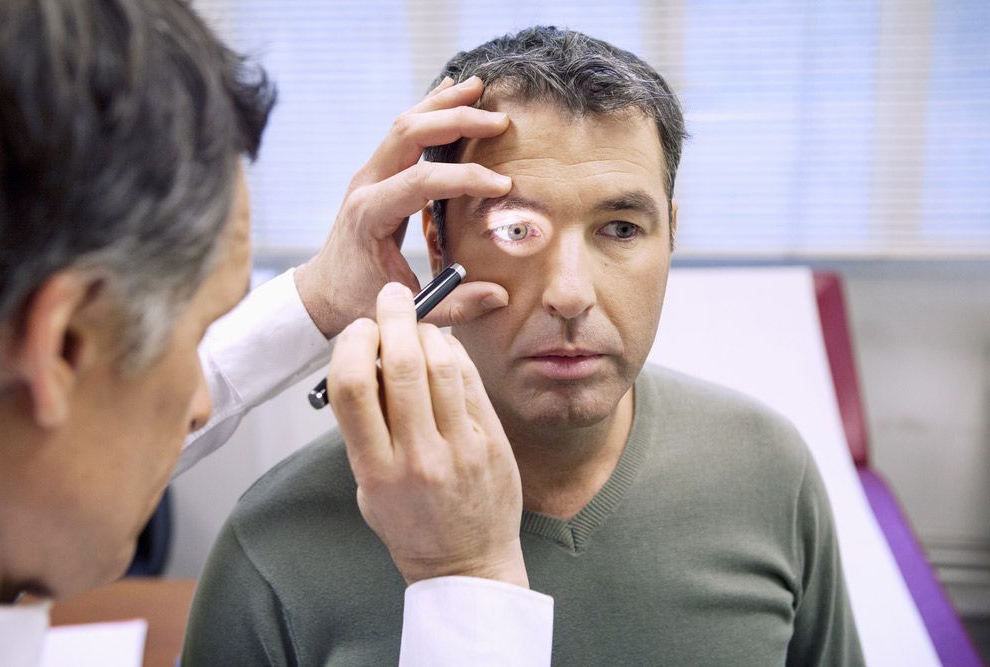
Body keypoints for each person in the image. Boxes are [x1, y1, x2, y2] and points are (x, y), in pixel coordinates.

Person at [183, 26, 866, 665]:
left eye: (622, 228)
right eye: (514, 229)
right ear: (435, 239)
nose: (570, 293)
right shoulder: (275, 543)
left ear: (672, 236)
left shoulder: (771, 471)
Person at [0, 1, 552, 665]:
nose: (201, 404)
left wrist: (319, 298)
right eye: (196, 326)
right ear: (62, 345)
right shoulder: (272, 551)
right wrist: (473, 587)